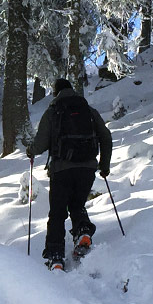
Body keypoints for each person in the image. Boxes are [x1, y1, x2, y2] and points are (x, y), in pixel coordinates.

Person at [27, 78, 113, 271]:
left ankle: (56, 257)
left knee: (57, 213)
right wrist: (104, 166)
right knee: (77, 204)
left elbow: (40, 144)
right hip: (87, 168)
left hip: (61, 169)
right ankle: (83, 232)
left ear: (56, 93)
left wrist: (30, 150)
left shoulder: (53, 112)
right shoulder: (88, 111)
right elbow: (106, 137)